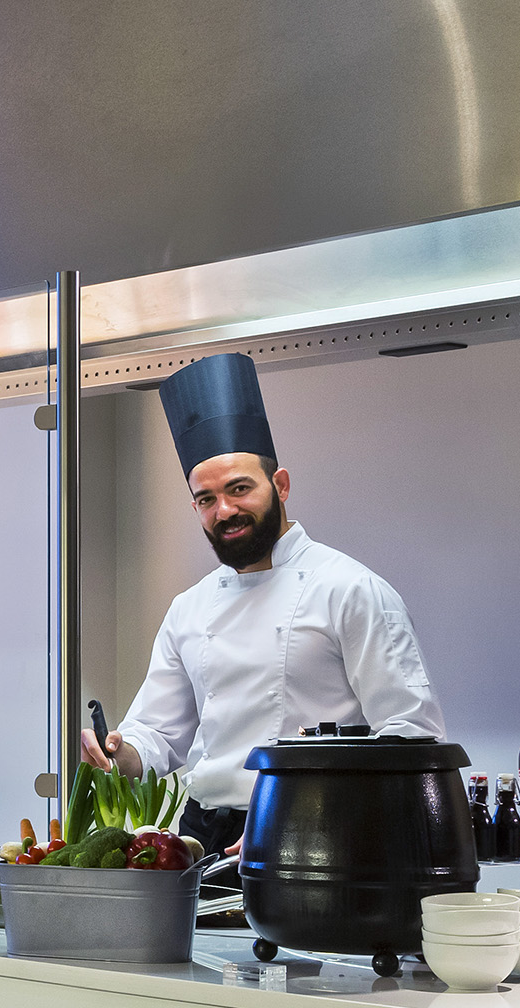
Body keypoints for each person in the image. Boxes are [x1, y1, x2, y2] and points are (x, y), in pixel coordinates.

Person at [82, 351, 443, 856]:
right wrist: (116, 752)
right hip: (200, 840)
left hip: (317, 834)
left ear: (281, 486)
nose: (224, 510)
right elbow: (159, 733)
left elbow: (410, 735)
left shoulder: (350, 588)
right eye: (206, 499)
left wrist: (297, 822)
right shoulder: (190, 607)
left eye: (239, 489)